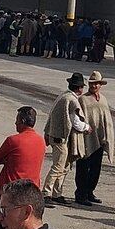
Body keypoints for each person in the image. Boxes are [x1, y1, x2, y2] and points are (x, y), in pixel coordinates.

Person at [41, 73, 89, 205]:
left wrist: (47, 132)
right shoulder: (71, 100)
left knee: (65, 167)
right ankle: (46, 193)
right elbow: (75, 122)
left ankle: (57, 193)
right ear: (79, 88)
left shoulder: (63, 96)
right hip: (60, 138)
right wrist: (86, 127)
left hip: (56, 136)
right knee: (58, 167)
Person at [76, 72, 114, 207]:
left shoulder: (103, 99)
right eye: (91, 83)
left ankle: (90, 192)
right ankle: (80, 194)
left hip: (99, 139)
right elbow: (79, 118)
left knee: (95, 168)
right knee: (83, 168)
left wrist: (106, 136)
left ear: (100, 85)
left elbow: (106, 119)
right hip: (86, 139)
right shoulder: (83, 99)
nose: (94, 86)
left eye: (96, 83)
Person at [0, 105, 45, 192]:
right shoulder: (41, 141)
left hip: (13, 189)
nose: (15, 123)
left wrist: (6, 159)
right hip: (32, 189)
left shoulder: (13, 140)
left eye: (17, 120)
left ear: (22, 121)